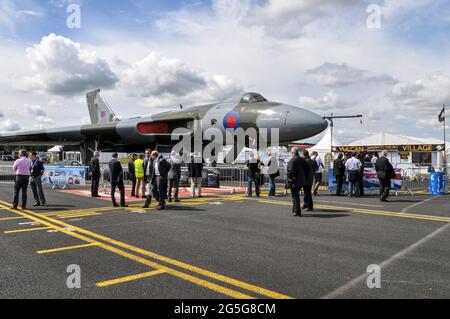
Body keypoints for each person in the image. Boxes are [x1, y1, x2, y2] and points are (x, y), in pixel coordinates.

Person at [287, 147, 307, 217]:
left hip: (294, 181)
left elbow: (290, 172)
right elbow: (306, 169)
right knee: (296, 196)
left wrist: (289, 180)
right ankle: (295, 210)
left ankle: (296, 211)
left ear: (292, 153)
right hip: (301, 180)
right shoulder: (302, 160)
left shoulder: (292, 160)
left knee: (295, 196)